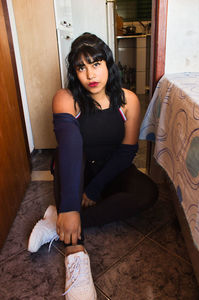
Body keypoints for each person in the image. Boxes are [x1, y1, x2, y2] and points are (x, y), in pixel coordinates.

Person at [28, 33, 158, 300]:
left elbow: (127, 152)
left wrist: (95, 191)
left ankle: (58, 225)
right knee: (67, 157)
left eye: (96, 63)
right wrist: (70, 204)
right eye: (81, 67)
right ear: (75, 73)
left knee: (147, 193)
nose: (90, 74)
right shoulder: (66, 98)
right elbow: (71, 152)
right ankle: (74, 250)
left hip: (111, 169)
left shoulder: (128, 100)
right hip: (75, 168)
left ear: (108, 64)